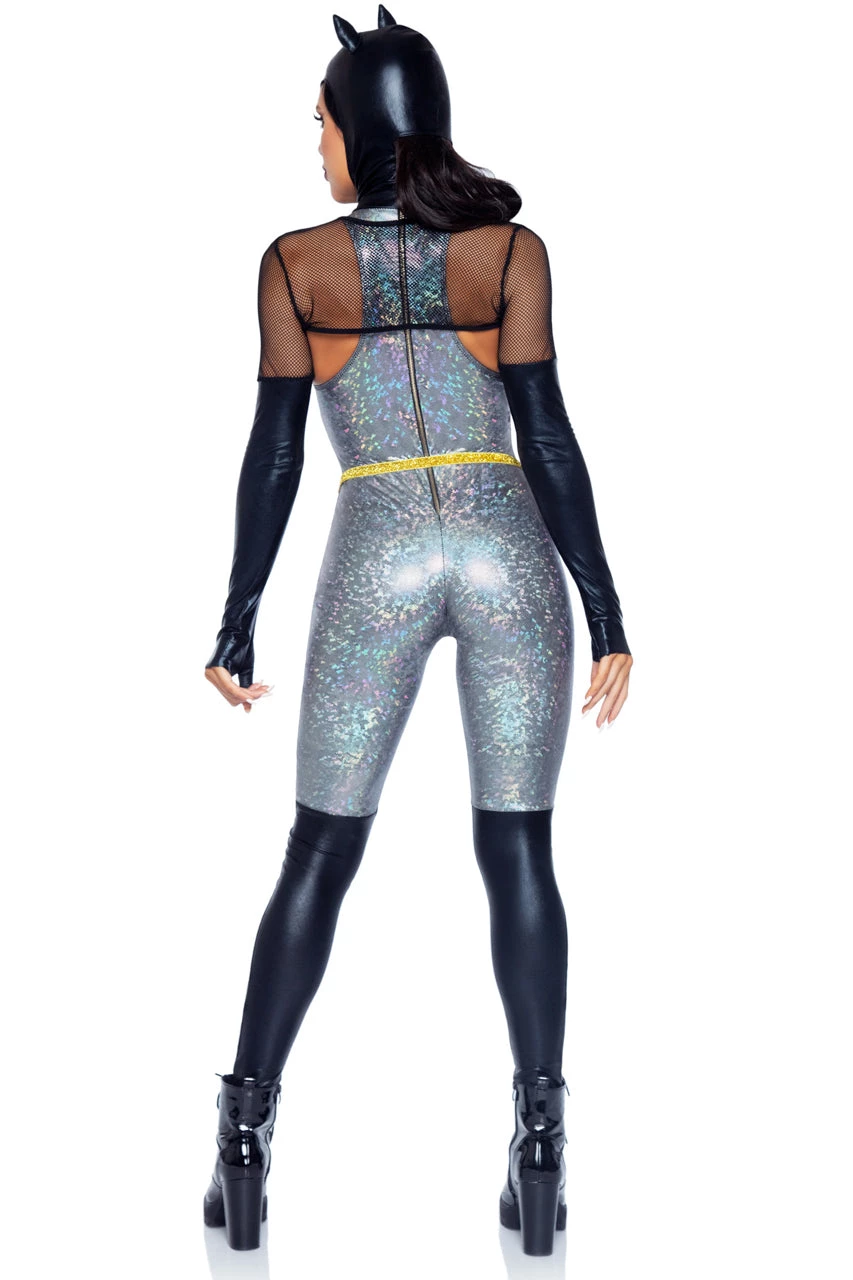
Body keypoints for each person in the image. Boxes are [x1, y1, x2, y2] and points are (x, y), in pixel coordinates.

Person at [202, 6, 633, 1257]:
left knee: (318, 852)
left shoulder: (296, 264)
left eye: (320, 122)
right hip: (507, 551)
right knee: (519, 851)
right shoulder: (509, 253)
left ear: (364, 126)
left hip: (374, 550)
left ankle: (242, 1135)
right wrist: (604, 606)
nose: (314, 145)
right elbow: (546, 437)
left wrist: (236, 613)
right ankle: (540, 1144)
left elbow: (275, 454)